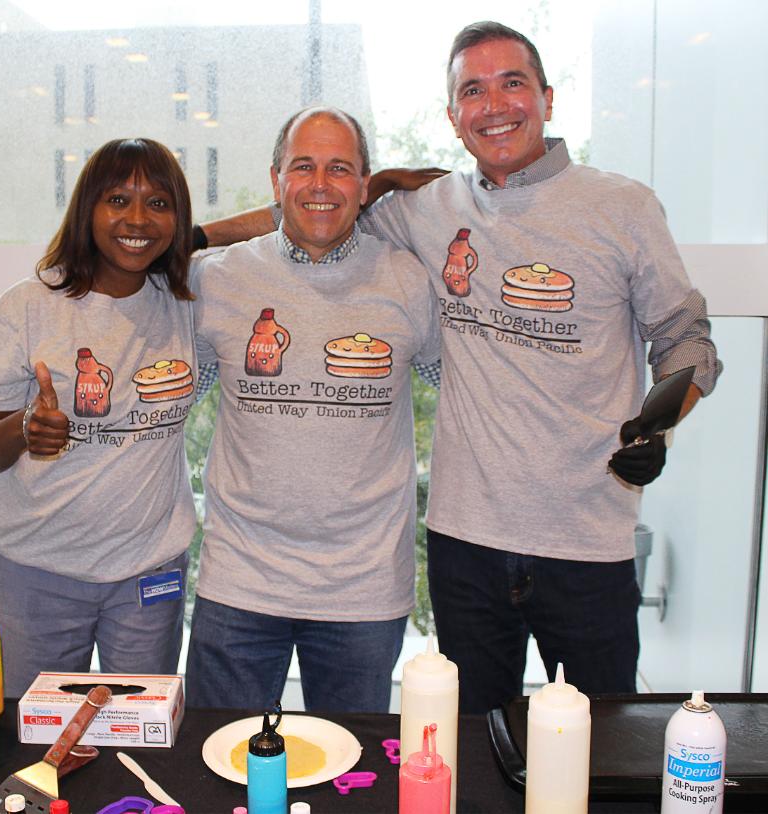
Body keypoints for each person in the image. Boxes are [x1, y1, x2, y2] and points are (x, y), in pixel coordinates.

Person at [199, 22, 721, 714]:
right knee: (472, 749)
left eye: (513, 83)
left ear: (548, 97)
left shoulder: (621, 207)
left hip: (588, 534)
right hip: (464, 542)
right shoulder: (429, 211)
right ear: (453, 115)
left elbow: (687, 338)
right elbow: (312, 217)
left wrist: (658, 424)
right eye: (473, 90)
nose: (495, 104)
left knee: (602, 746)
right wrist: (193, 237)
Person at [185, 107, 441, 713]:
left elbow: (473, 383)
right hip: (239, 578)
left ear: (364, 183)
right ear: (276, 180)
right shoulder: (216, 280)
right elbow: (162, 402)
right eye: (304, 167)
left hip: (363, 587)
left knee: (351, 784)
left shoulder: (410, 282)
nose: (321, 185)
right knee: (220, 770)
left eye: (339, 168)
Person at [0, 138, 198, 698]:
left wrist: (366, 193)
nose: (137, 219)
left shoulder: (185, 300)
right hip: (37, 571)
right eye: (118, 200)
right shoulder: (24, 308)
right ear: (87, 209)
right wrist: (24, 429)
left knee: (142, 737)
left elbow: (266, 234)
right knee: (31, 740)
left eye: (159, 204)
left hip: (148, 570)